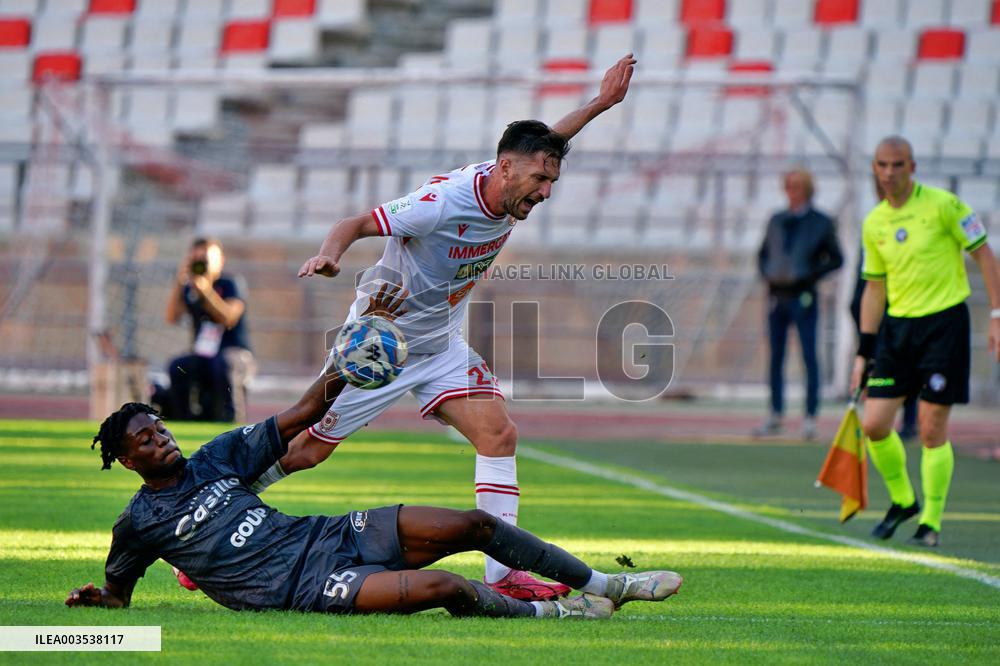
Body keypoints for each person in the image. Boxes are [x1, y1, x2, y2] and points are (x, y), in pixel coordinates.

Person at [245, 54, 638, 601]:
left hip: (440, 342)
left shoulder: (511, 176)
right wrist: (329, 257)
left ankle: (507, 579)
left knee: (498, 433)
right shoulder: (440, 204)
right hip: (384, 339)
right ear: (505, 168)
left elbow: (548, 138)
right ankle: (220, 515)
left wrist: (600, 103)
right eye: (540, 179)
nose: (546, 192)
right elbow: (356, 222)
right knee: (309, 448)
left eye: (551, 180)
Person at [67, 285, 683, 619]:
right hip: (302, 589)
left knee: (473, 524)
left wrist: (358, 345)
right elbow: (119, 590)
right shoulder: (139, 523)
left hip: (326, 536)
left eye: (160, 428)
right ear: (126, 460)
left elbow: (305, 414)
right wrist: (104, 601)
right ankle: (566, 617)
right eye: (145, 439)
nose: (161, 438)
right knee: (444, 587)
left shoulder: (217, 456)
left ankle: (610, 584)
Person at [852, 136, 1000, 547]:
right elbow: (874, 289)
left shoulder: (944, 205)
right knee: (875, 424)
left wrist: (996, 317)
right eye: (881, 165)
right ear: (875, 169)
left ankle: (930, 522)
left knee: (933, 429)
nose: (889, 173)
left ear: (912, 167)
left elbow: (985, 255)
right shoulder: (874, 222)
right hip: (898, 332)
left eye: (897, 165)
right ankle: (903, 500)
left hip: (943, 326)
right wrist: (863, 352)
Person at [754, 169, 844, 440]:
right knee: (776, 357)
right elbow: (763, 254)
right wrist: (768, 274)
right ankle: (775, 414)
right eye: (789, 186)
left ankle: (809, 417)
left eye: (797, 186)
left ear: (807, 189)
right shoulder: (777, 220)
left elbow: (837, 258)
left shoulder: (821, 222)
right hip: (776, 297)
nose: (792, 191)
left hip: (804, 297)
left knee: (808, 356)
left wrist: (810, 275)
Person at [164, 238, 255, 423]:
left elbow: (229, 317)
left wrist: (205, 290)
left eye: (204, 259)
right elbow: (172, 317)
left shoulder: (230, 284)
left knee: (222, 365)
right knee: (178, 367)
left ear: (220, 260)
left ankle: (231, 421)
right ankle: (184, 421)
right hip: (204, 354)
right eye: (195, 259)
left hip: (234, 354)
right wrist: (179, 282)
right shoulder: (190, 288)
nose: (200, 264)